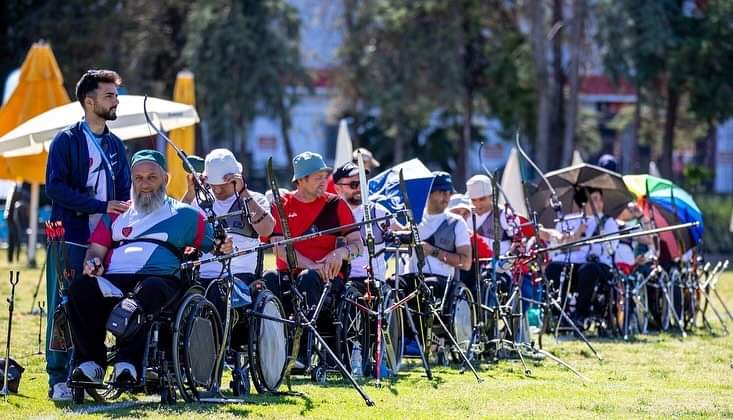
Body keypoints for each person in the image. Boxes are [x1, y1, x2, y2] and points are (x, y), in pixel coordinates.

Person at [65, 150, 231, 390]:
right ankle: (91, 363)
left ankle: (128, 363)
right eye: (139, 178)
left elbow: (217, 245)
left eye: (151, 177)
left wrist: (223, 244)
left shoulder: (185, 214)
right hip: (115, 281)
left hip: (160, 280)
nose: (145, 184)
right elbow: (95, 251)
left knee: (147, 293)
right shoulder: (116, 214)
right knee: (81, 288)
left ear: (166, 179)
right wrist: (93, 263)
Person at [44, 69, 132, 400]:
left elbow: (124, 195)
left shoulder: (115, 145)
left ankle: (88, 369)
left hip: (107, 240)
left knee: (94, 304)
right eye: (109, 95)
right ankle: (58, 378)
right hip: (69, 237)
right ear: (88, 101)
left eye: (115, 95)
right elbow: (55, 188)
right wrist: (99, 204)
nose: (115, 101)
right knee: (61, 307)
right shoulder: (66, 140)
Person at [183, 148, 275, 338]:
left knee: (218, 289)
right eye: (212, 184)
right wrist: (190, 193)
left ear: (236, 178)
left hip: (241, 278)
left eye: (222, 185)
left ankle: (213, 351)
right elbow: (178, 226)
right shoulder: (201, 202)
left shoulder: (254, 199)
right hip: (202, 275)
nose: (216, 190)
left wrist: (243, 192)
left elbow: (267, 229)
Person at [401, 172, 472, 350]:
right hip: (412, 274)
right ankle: (397, 340)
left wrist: (432, 251)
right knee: (393, 286)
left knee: (426, 287)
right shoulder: (414, 220)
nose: (446, 197)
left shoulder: (456, 223)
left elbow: (466, 262)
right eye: (441, 192)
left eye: (449, 192)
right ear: (429, 193)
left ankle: (416, 341)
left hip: (441, 280)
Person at [545, 188, 619, 326]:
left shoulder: (608, 222)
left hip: (596, 265)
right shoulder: (568, 220)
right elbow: (557, 246)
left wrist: (590, 242)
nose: (596, 203)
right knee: (552, 268)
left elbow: (611, 249)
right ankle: (557, 314)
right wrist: (577, 234)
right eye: (592, 199)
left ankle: (580, 314)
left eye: (598, 199)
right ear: (584, 203)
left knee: (588, 270)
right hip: (569, 262)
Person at [332, 162, 400, 283]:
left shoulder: (377, 212)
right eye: (354, 184)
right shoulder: (330, 213)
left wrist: (398, 236)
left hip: (370, 282)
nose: (359, 189)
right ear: (338, 188)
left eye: (362, 183)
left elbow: (405, 234)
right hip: (337, 281)